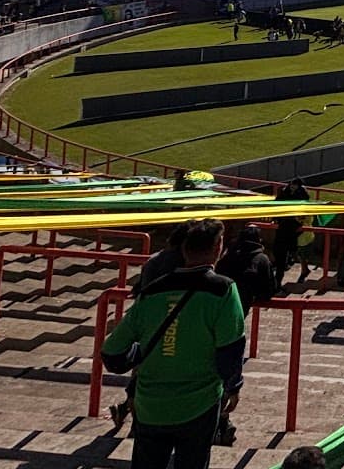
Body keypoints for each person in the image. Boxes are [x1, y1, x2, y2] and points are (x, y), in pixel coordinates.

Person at [101, 218, 246, 469]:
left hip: (149, 405)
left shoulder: (152, 292)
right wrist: (233, 387)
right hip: (199, 404)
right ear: (218, 247)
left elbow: (112, 353)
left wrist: (141, 352)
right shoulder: (223, 290)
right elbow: (229, 353)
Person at [215, 224, 275, 315]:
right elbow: (269, 289)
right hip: (242, 305)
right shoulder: (262, 259)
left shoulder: (229, 255)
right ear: (259, 239)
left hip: (220, 303)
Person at [272, 179, 312, 288]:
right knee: (283, 256)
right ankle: (278, 281)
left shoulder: (302, 195)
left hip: (295, 231)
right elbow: (276, 205)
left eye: (295, 185)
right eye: (292, 184)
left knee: (298, 254)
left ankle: (298, 268)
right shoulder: (284, 193)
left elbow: (306, 214)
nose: (293, 186)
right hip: (286, 230)